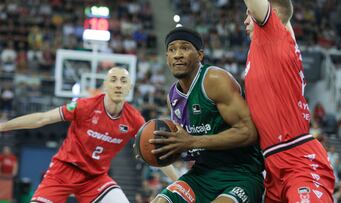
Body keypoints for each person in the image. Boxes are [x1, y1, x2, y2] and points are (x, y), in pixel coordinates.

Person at [0, 67, 178, 203]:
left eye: (123, 81)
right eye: (113, 80)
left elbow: (157, 154)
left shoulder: (134, 119)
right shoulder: (85, 106)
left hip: (95, 179)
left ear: (129, 87)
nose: (118, 84)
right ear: (105, 85)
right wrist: (3, 126)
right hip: (63, 171)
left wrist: (182, 182)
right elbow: (42, 119)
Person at [148, 27, 264, 203]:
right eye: (172, 50)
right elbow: (185, 146)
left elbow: (248, 132)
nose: (177, 54)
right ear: (167, 58)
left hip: (241, 173)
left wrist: (191, 141)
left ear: (200, 55)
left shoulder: (214, 80)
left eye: (185, 48)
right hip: (202, 174)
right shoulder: (172, 96)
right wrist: (158, 148)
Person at [242, 0, 335, 202]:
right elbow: (286, 13)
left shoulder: (273, 35)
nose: (245, 20)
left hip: (297, 157)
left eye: (249, 13)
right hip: (273, 163)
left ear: (272, 14)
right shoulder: (276, 43)